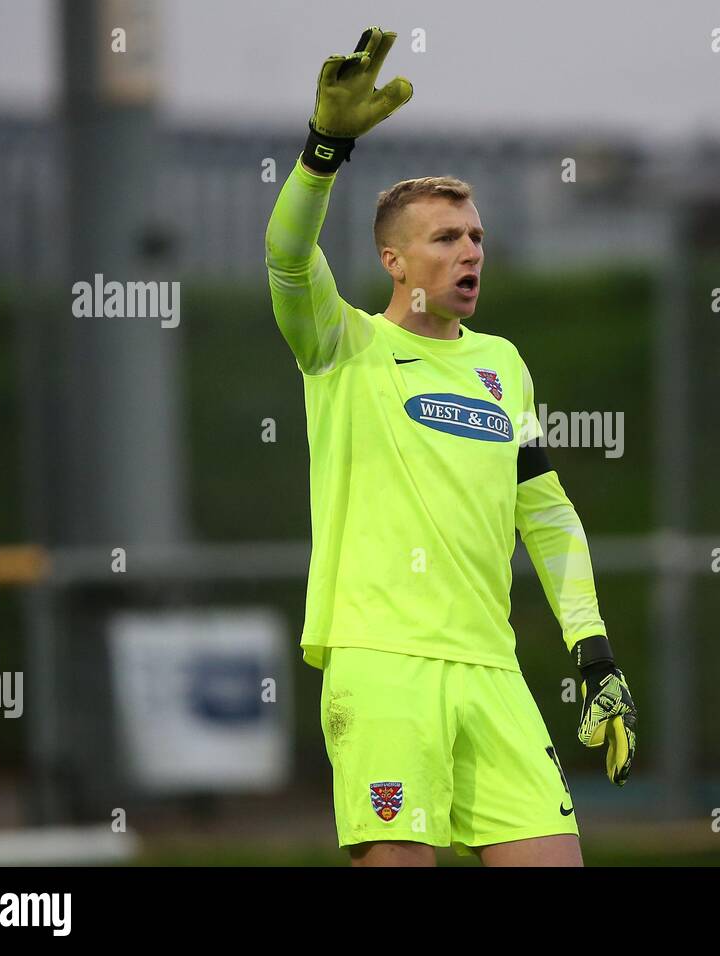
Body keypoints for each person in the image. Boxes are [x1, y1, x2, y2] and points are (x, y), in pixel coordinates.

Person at [264, 26, 637, 867]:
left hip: (492, 674)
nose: (470, 251)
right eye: (446, 239)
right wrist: (325, 150)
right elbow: (288, 258)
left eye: (476, 238)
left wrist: (594, 648)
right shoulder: (342, 348)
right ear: (393, 261)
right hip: (385, 666)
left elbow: (546, 514)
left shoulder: (502, 365)